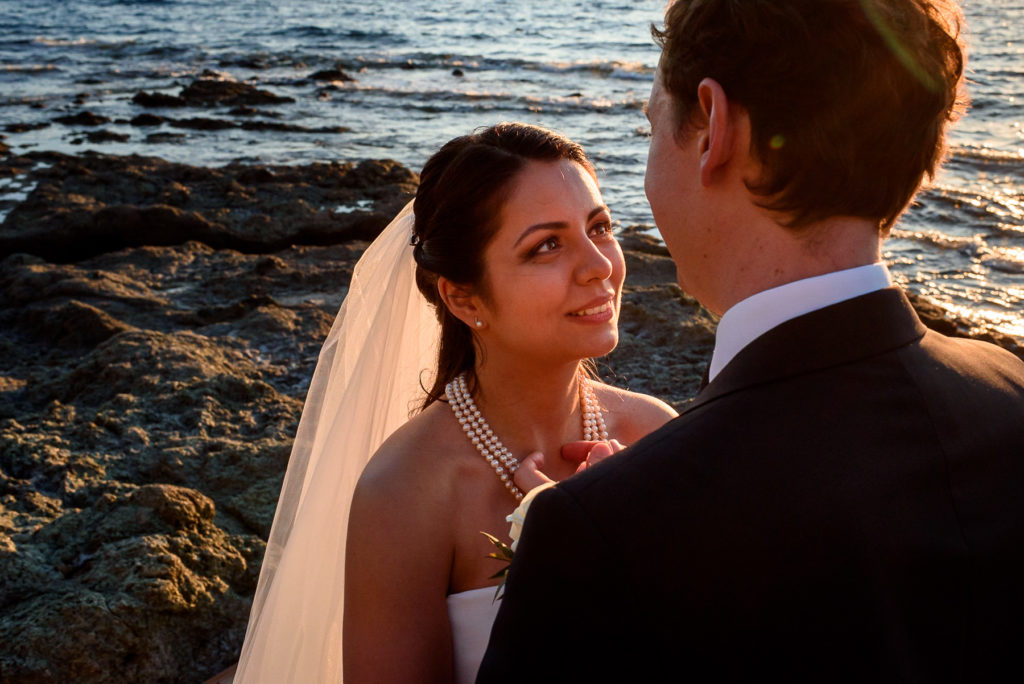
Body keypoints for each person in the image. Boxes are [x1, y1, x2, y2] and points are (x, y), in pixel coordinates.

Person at [478, 0, 1024, 681]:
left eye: (653, 126)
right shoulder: (1010, 396)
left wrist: (629, 504)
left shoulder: (598, 538)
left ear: (713, 128)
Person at [232, 122, 677, 684]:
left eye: (600, 227)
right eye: (547, 245)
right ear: (462, 297)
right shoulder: (406, 491)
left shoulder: (655, 436)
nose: (600, 266)